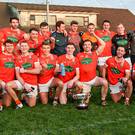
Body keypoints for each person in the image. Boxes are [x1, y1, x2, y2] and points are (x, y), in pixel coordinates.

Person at [6, 40, 41, 109]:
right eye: (22, 46)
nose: (24, 47)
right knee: (8, 85)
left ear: (28, 47)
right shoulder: (17, 58)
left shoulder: (34, 57)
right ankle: (18, 103)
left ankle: (24, 95)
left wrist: (25, 71)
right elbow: (18, 75)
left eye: (25, 46)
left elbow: (38, 71)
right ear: (20, 48)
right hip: (21, 82)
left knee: (31, 105)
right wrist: (25, 85)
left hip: (32, 83)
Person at [76, 36, 108, 106]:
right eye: (85, 45)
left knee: (105, 82)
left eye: (89, 44)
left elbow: (103, 44)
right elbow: (76, 69)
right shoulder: (78, 55)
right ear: (83, 46)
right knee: (83, 101)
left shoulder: (95, 53)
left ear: (91, 46)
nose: (87, 46)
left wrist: (94, 34)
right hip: (83, 81)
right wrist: (77, 80)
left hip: (93, 79)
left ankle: (103, 99)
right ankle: (86, 94)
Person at [38, 39, 63, 105]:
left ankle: (55, 99)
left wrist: (57, 70)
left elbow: (57, 69)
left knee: (60, 83)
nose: (46, 50)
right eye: (44, 48)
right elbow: (39, 71)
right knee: (44, 103)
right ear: (41, 49)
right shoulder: (38, 58)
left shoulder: (55, 57)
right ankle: (39, 92)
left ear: (50, 48)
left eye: (47, 48)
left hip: (51, 79)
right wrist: (42, 69)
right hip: (42, 82)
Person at [0, 40, 15, 111]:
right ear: (5, 47)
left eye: (11, 46)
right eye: (8, 46)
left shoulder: (15, 56)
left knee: (7, 104)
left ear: (13, 46)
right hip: (1, 81)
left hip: (9, 84)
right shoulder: (1, 56)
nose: (9, 47)